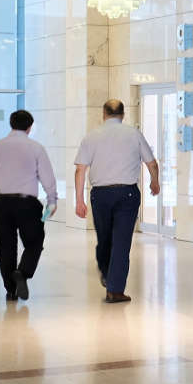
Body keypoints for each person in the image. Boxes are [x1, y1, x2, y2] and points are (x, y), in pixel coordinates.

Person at [74, 98, 158, 304]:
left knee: (104, 239)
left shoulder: (91, 136)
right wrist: (155, 182)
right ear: (123, 114)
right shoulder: (134, 134)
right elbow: (152, 163)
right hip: (127, 194)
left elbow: (80, 170)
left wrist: (79, 200)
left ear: (104, 114)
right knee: (121, 242)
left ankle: (108, 277)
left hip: (100, 195)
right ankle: (115, 289)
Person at [0, 109, 58, 303]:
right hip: (27, 203)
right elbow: (47, 176)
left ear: (11, 124)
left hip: (1, 203)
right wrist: (52, 200)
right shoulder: (36, 148)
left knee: (6, 246)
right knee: (35, 241)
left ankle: (11, 290)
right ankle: (23, 272)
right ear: (30, 127)